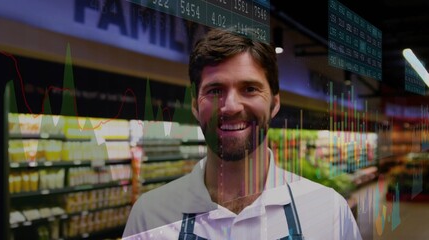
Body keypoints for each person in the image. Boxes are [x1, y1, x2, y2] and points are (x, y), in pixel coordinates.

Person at [122, 27, 362, 240]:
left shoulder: (328, 211)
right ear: (195, 105)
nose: (231, 106)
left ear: (275, 103)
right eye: (215, 90)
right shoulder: (149, 216)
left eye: (249, 89)